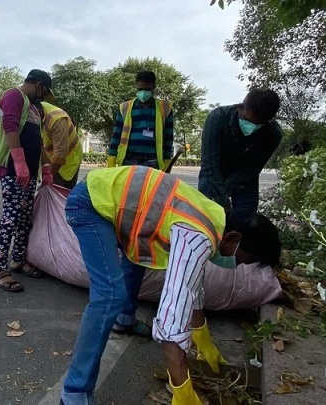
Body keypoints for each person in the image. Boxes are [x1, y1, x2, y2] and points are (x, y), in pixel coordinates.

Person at [60, 165, 281, 405]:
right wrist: (182, 388)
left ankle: (124, 320)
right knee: (110, 296)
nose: (235, 265)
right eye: (239, 259)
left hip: (121, 205)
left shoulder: (215, 217)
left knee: (134, 265)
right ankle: (74, 393)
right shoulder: (197, 236)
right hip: (92, 203)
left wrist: (201, 334)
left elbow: (192, 280)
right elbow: (172, 315)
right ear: (234, 238)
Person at [0, 69, 54, 292]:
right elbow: (10, 128)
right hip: (13, 170)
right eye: (43, 91)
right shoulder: (14, 95)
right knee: (11, 217)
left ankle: (18, 260)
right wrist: (20, 162)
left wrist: (45, 166)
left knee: (25, 218)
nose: (43, 97)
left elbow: (39, 140)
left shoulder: (35, 108)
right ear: (37, 84)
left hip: (29, 172)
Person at [198, 89, 282, 219]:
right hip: (213, 174)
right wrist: (222, 200)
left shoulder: (273, 133)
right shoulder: (217, 118)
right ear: (243, 108)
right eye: (249, 120)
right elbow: (209, 163)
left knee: (244, 222)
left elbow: (252, 169)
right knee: (206, 219)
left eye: (258, 124)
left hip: (245, 179)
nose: (252, 127)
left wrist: (226, 195)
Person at [107, 71, 174, 170]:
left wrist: (167, 159)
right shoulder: (125, 107)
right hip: (129, 160)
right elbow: (116, 135)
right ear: (136, 87)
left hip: (153, 161)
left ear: (153, 87)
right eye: (140, 89)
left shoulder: (165, 108)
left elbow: (168, 138)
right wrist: (112, 157)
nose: (143, 93)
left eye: (147, 89)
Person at [36, 101, 83, 189]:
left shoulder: (57, 119)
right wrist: (46, 171)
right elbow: (42, 146)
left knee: (62, 193)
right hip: (53, 157)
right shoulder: (37, 117)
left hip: (69, 158)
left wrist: (49, 175)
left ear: (38, 112)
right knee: (50, 188)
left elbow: (60, 155)